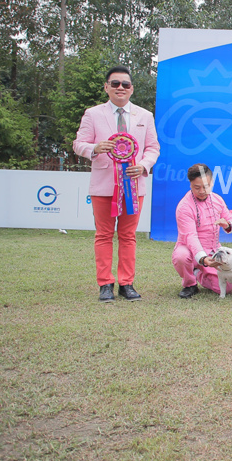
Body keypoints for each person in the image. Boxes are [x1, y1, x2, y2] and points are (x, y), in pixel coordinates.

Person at [73, 66, 159, 302]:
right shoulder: (92, 114)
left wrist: (143, 165)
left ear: (131, 89)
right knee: (103, 235)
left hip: (133, 185)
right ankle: (105, 284)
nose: (120, 88)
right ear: (106, 87)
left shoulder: (145, 116)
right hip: (103, 185)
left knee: (128, 235)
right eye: (115, 84)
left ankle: (126, 283)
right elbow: (78, 144)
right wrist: (94, 148)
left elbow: (153, 147)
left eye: (125, 84)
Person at [173, 164, 232, 298]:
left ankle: (197, 273)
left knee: (226, 289)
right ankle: (190, 284)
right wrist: (203, 259)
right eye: (197, 187)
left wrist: (227, 224)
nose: (202, 191)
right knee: (181, 256)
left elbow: (230, 218)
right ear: (190, 184)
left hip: (213, 250)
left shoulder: (217, 199)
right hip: (189, 249)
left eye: (206, 186)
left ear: (212, 182)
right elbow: (190, 236)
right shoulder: (184, 206)